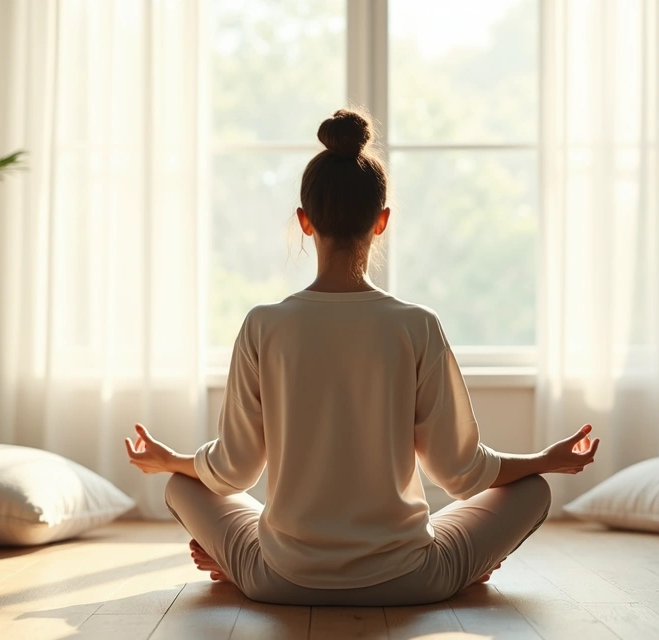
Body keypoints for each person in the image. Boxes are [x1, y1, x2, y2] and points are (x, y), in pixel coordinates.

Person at [123, 108, 600, 607]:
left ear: (304, 222)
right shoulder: (416, 325)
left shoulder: (264, 324)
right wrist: (547, 459)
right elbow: (462, 474)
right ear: (383, 222)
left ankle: (232, 564)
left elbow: (233, 472)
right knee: (535, 490)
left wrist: (169, 460)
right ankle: (465, 568)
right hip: (413, 580)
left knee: (182, 486)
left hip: (278, 578)